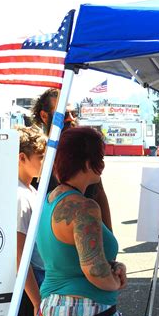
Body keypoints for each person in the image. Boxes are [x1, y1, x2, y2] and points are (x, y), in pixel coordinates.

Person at [24, 127, 127, 316]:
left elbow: (69, 259)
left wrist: (114, 266)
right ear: (88, 163)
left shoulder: (50, 199)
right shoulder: (84, 207)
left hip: (53, 311)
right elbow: (94, 270)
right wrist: (116, 282)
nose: (104, 164)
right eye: (100, 158)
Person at [30, 89, 113, 231]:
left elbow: (99, 193)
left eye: (73, 113)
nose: (71, 118)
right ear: (44, 116)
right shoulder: (34, 154)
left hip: (89, 230)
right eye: (64, 114)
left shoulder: (82, 148)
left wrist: (109, 237)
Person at [15, 126, 47, 316]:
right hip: (30, 288)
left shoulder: (29, 190)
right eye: (41, 157)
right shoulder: (19, 196)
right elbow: (19, 255)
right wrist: (36, 300)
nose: (47, 161)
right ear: (22, 157)